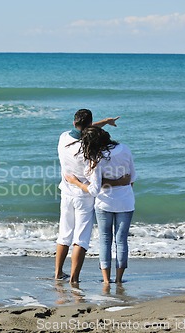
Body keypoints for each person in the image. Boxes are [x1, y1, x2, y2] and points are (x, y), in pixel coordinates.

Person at [56, 109, 127, 285]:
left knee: (64, 234)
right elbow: (94, 189)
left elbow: (83, 130)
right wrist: (78, 182)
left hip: (66, 192)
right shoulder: (90, 152)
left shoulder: (63, 138)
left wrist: (104, 121)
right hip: (83, 196)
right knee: (81, 238)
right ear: (89, 124)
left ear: (74, 123)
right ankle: (74, 278)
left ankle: (58, 273)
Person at [65, 126, 136, 285]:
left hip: (104, 203)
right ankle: (119, 279)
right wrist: (119, 184)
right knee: (121, 240)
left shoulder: (97, 158)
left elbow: (94, 190)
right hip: (126, 201)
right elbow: (132, 177)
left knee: (105, 240)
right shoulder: (125, 149)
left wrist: (75, 181)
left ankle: (106, 280)